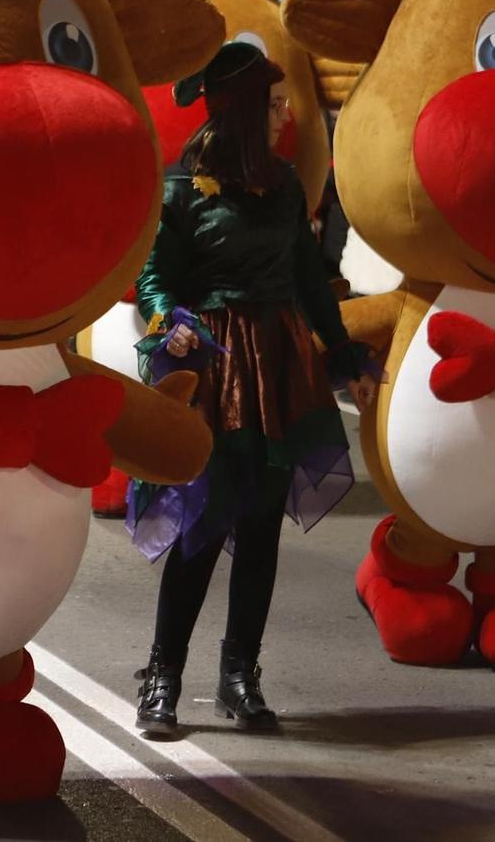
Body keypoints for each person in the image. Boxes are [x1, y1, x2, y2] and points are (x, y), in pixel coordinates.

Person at [128, 41, 377, 737]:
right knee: (203, 525)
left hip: (276, 365)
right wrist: (169, 321)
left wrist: (344, 348)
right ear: (240, 111)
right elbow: (155, 281)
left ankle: (240, 675)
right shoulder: (183, 190)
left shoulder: (288, 184)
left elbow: (306, 276)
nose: (285, 114)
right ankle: (163, 679)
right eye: (272, 104)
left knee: (262, 527)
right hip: (213, 368)